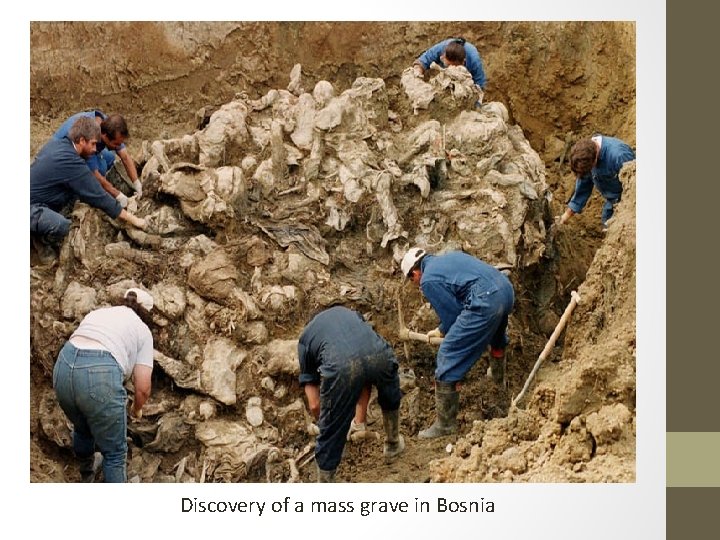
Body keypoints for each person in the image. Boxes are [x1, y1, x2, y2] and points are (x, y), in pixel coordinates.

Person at [401, 247, 514, 439]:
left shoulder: (428, 280)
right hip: (505, 290)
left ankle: (445, 425)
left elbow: (454, 315)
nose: (415, 283)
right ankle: (498, 382)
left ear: (415, 273)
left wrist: (447, 331)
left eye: (412, 280)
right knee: (496, 337)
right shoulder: (450, 257)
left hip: (486, 301)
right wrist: (441, 329)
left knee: (447, 353)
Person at [53, 288, 154, 482]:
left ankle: (86, 474)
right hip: (99, 374)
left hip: (64, 367)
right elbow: (143, 389)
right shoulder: (142, 330)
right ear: (146, 313)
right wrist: (136, 409)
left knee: (82, 427)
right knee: (115, 453)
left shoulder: (98, 313)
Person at [297, 305, 405, 482]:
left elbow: (315, 404)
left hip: (341, 367)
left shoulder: (306, 338)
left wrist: (328, 427)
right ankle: (393, 443)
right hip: (379, 355)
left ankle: (325, 483)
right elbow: (363, 371)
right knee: (387, 390)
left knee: (330, 431)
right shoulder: (350, 315)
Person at [30, 116, 147, 263]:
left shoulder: (61, 145)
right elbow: (98, 195)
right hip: (30, 206)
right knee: (64, 227)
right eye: (92, 144)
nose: (95, 149)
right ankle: (39, 240)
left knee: (77, 192)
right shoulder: (70, 161)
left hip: (39, 196)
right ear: (81, 140)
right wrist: (134, 219)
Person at [53, 110, 143, 208]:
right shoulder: (90, 138)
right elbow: (95, 174)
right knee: (101, 169)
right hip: (61, 157)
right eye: (116, 144)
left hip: (83, 149)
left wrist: (136, 183)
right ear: (105, 136)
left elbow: (125, 156)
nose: (118, 146)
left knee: (110, 157)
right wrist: (118, 195)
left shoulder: (106, 124)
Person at [557, 134, 636, 229]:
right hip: (613, 201)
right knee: (606, 226)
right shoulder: (585, 154)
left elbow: (634, 187)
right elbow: (583, 186)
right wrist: (566, 215)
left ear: (595, 159)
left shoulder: (619, 156)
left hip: (629, 204)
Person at [413, 37, 487, 102]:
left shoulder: (474, 60)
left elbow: (480, 85)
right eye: (448, 65)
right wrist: (417, 76)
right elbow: (422, 61)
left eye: (455, 67)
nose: (451, 69)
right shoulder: (441, 48)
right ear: (443, 57)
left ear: (463, 62)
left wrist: (476, 103)